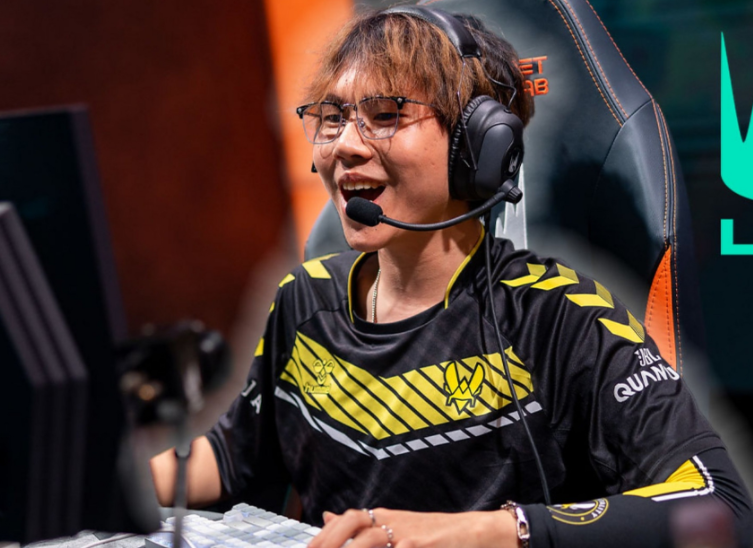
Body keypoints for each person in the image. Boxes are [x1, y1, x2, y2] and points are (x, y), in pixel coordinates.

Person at [150, 7, 753, 547]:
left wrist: (478, 531)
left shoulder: (563, 319)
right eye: (332, 118)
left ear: (478, 150)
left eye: (386, 115)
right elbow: (232, 458)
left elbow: (721, 506)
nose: (345, 146)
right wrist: (104, 475)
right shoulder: (304, 301)